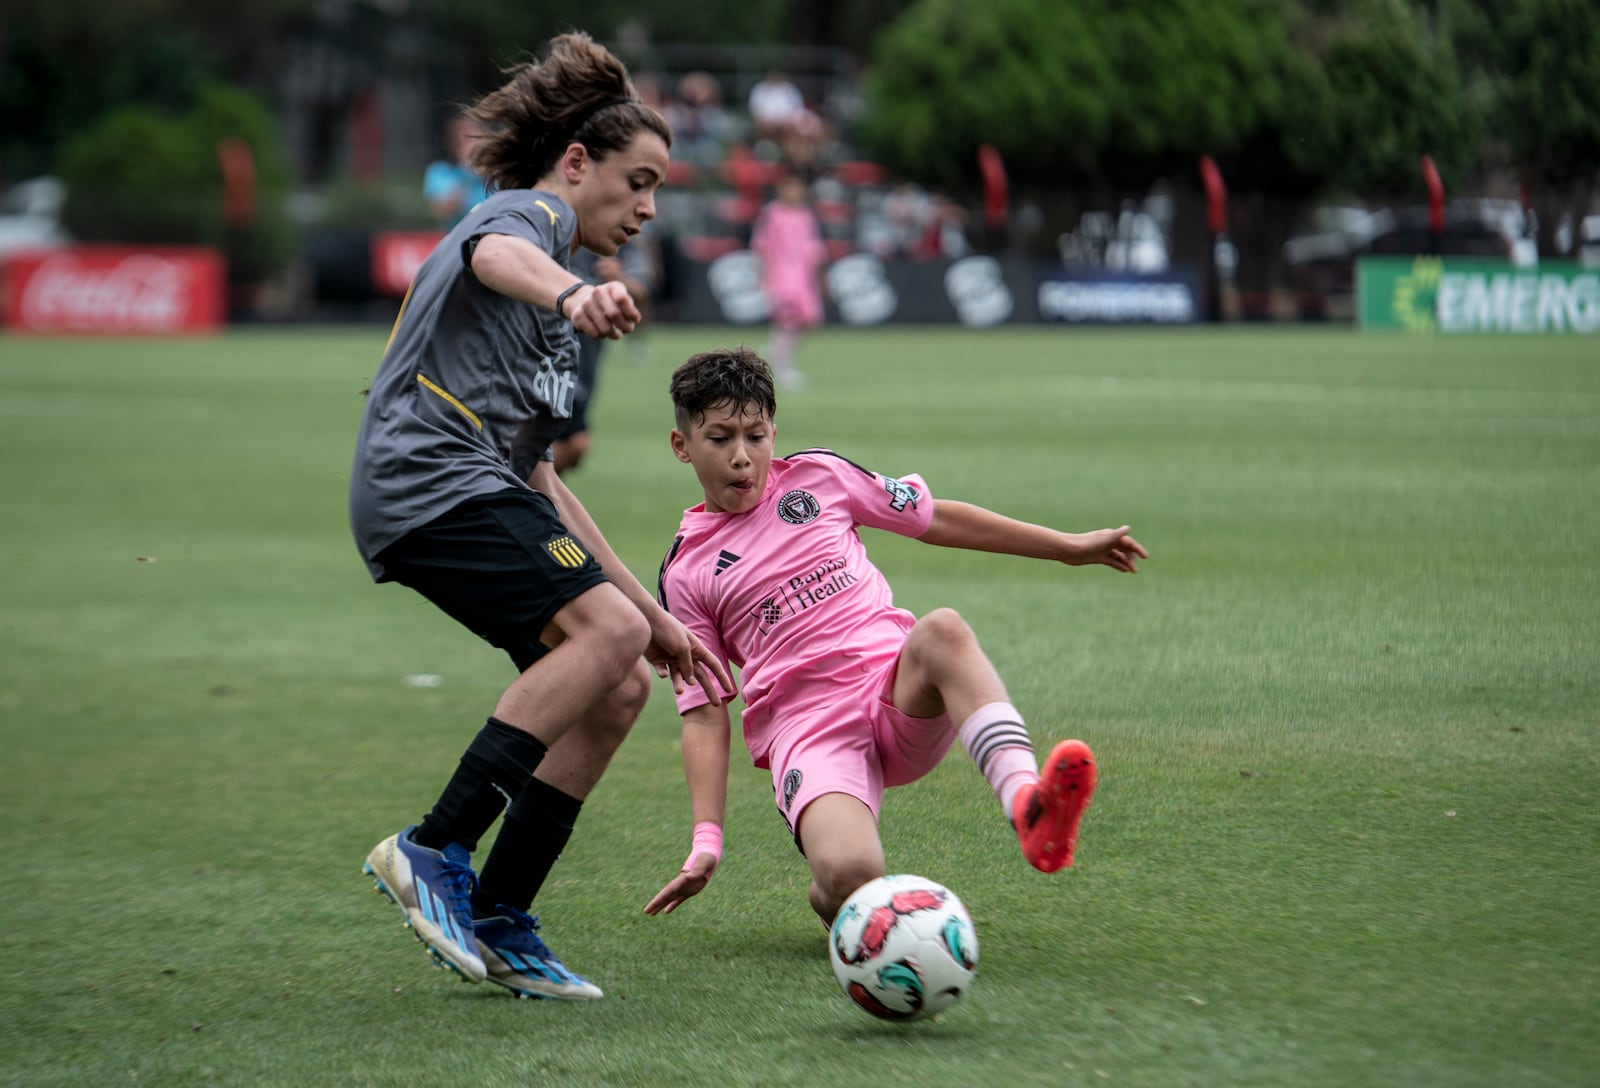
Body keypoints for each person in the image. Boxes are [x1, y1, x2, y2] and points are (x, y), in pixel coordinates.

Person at [349, 31, 732, 1001]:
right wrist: (572, 289)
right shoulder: (530, 219)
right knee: (599, 631)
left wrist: (656, 617)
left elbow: (545, 478)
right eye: (636, 180)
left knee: (618, 682)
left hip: (475, 482)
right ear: (575, 163)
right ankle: (431, 846)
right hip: (426, 474)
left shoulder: (552, 308)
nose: (647, 207)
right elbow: (492, 250)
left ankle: (501, 914)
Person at [645, 348, 1147, 928]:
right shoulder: (685, 572)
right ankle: (832, 895)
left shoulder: (821, 476)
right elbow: (705, 712)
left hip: (894, 690)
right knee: (851, 874)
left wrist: (1067, 547)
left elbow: (934, 519)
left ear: (774, 433)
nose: (741, 457)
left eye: (755, 436)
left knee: (943, 629)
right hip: (809, 731)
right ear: (682, 445)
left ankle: (1028, 807)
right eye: (719, 438)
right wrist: (706, 841)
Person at [551, 230, 659, 475]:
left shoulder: (623, 233)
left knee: (572, 445)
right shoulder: (551, 226)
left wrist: (620, 279)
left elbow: (643, 290)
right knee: (571, 442)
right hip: (545, 355)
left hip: (585, 352)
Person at [749, 174, 826, 390]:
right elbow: (762, 246)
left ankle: (776, 352)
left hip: (803, 276)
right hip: (781, 274)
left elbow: (814, 249)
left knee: (809, 321)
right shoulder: (773, 213)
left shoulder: (806, 215)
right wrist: (761, 275)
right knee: (786, 319)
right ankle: (782, 368)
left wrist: (818, 278)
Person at [422, 115, 489, 228]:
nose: (469, 147)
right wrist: (467, 173)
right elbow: (441, 211)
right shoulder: (440, 171)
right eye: (462, 142)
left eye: (474, 139)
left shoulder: (498, 173)